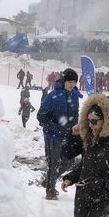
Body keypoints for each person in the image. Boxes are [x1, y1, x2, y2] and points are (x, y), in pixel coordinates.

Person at [37, 68, 82, 200]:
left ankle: (49, 181)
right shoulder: (53, 96)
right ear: (63, 81)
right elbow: (41, 116)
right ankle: (50, 191)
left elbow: (74, 115)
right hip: (52, 134)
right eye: (69, 81)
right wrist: (55, 127)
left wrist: (75, 127)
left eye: (74, 82)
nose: (71, 84)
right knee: (54, 161)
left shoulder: (74, 96)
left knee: (69, 161)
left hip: (68, 135)